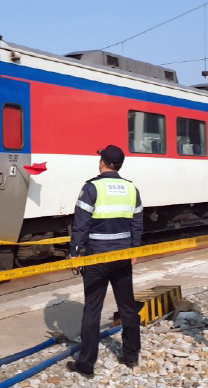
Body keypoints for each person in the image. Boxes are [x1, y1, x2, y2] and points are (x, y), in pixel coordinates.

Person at [66, 145, 143, 378]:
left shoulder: (92, 187)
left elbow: (81, 224)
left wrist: (75, 253)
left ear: (103, 163)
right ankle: (131, 355)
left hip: (96, 256)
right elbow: (137, 223)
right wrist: (134, 250)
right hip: (121, 257)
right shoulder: (132, 188)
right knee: (127, 306)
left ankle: (87, 364)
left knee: (92, 309)